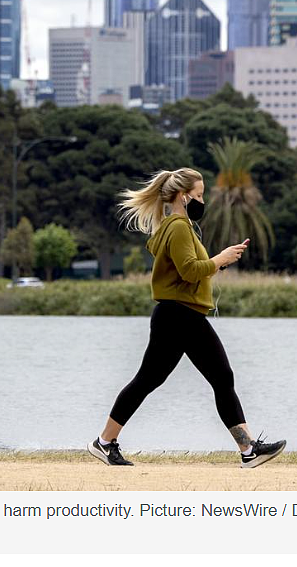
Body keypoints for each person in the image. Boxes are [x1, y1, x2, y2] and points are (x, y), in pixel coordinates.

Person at [88, 168, 286, 469]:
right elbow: (190, 270)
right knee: (219, 377)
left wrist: (219, 263)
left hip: (177, 314)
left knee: (150, 380)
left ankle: (104, 442)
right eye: (199, 195)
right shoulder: (179, 227)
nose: (202, 200)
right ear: (183, 196)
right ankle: (248, 451)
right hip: (180, 316)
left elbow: (189, 269)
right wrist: (218, 259)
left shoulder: (174, 226)